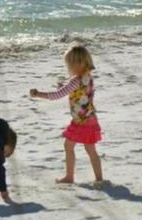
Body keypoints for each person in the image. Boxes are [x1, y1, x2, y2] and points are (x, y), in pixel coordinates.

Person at [30, 44, 104, 185]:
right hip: (90, 118)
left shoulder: (75, 81)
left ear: (78, 64)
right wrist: (64, 86)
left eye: (69, 64)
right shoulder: (88, 77)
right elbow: (77, 91)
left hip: (81, 121)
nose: (68, 67)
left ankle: (71, 177)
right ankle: (98, 178)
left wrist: (39, 94)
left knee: (70, 147)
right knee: (89, 150)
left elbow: (57, 95)